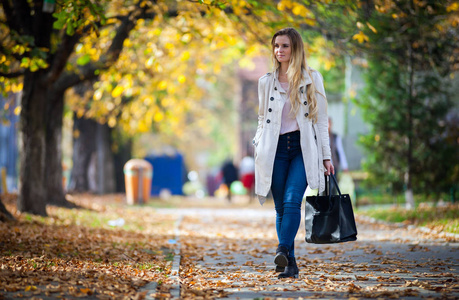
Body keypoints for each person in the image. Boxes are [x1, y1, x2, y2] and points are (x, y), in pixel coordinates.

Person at [252, 28, 334, 279]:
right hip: (274, 149)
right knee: (280, 209)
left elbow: (321, 121)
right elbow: (262, 118)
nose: (279, 51)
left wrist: (326, 156)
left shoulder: (312, 78)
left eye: (285, 46)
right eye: (276, 46)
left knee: (291, 201)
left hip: (302, 148)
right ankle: (290, 264)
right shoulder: (266, 81)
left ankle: (282, 249)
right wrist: (258, 142)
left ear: (295, 48)